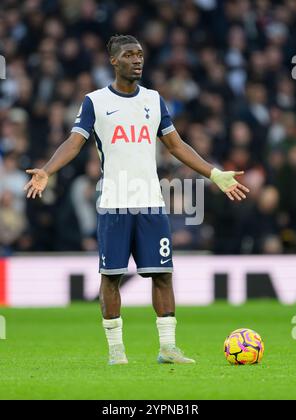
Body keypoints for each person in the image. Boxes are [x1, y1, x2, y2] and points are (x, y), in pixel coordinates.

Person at [24, 35, 249, 365]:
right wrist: (47, 170)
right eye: (129, 55)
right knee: (111, 277)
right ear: (114, 61)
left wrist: (214, 173)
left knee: (163, 274)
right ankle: (117, 350)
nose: (137, 60)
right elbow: (74, 143)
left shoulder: (154, 100)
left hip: (151, 204)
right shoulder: (95, 102)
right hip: (115, 203)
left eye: (140, 54)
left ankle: (168, 348)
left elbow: (176, 145)